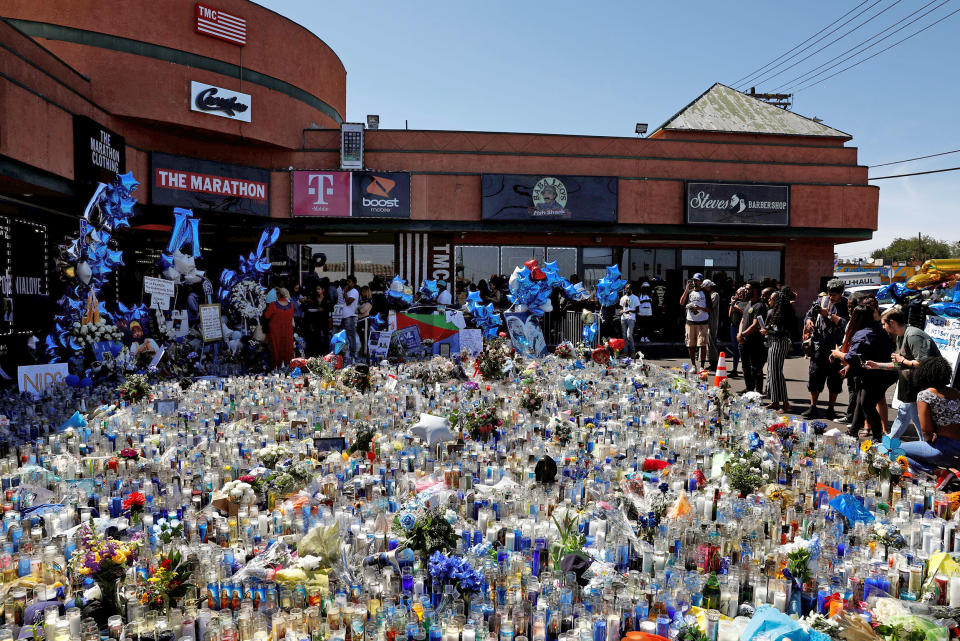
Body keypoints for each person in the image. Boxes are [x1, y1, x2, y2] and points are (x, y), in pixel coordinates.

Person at [866, 308, 941, 439]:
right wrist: (878, 365)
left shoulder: (913, 336)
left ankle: (923, 446)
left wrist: (904, 360)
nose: (883, 327)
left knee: (917, 419)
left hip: (924, 386)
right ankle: (890, 442)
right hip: (912, 387)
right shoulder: (901, 336)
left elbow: (924, 363)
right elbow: (900, 365)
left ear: (892, 323)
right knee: (908, 415)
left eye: (884, 324)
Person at [831, 304, 895, 440]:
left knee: (867, 404)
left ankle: (878, 437)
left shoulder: (863, 333)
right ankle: (853, 431)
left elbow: (851, 357)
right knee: (861, 401)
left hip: (875, 374)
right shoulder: (877, 328)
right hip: (883, 372)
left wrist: (837, 353)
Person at [900, 356, 960, 476]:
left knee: (893, 449)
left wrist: (930, 439)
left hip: (943, 449)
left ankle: (939, 472)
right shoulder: (956, 393)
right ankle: (952, 469)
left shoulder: (925, 395)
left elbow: (926, 431)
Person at [801, 279, 848, 419]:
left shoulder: (846, 304)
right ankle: (813, 407)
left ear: (841, 293)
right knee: (815, 377)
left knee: (834, 381)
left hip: (836, 348)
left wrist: (829, 315)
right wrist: (808, 322)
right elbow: (809, 315)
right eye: (829, 293)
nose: (831, 297)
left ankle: (831, 409)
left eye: (834, 294)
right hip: (819, 348)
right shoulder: (821, 301)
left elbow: (846, 324)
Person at [760, 287, 799, 412]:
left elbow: (782, 332)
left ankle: (786, 403)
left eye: (771, 299)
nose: (768, 301)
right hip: (774, 342)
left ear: (776, 300)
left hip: (779, 343)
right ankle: (775, 401)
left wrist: (767, 331)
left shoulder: (783, 314)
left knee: (776, 372)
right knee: (771, 372)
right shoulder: (775, 312)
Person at [738, 281, 767, 394]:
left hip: (755, 343)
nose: (746, 291)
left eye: (748, 289)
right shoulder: (748, 304)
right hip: (744, 342)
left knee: (756, 369)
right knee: (745, 367)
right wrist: (740, 334)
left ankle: (758, 392)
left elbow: (755, 325)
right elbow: (742, 320)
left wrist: (742, 334)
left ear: (755, 290)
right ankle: (749, 388)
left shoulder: (760, 306)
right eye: (745, 289)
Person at [680, 273, 710, 369]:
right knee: (690, 345)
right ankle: (693, 365)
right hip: (690, 321)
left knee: (702, 344)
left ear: (701, 282)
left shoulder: (705, 293)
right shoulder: (689, 292)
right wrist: (686, 289)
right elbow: (681, 302)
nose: (695, 282)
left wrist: (700, 308)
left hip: (702, 322)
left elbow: (709, 309)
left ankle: (702, 366)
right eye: (694, 280)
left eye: (697, 280)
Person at [263, 287, 295, 369]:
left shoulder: (273, 305)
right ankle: (288, 367)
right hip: (288, 332)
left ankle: (276, 368)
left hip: (275, 332)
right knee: (288, 349)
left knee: (275, 349)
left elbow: (266, 316)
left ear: (277, 295)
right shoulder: (291, 306)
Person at [303, 284, 332, 356]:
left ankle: (325, 352)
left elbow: (330, 308)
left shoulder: (327, 299)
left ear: (323, 290)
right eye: (317, 289)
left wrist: (324, 309)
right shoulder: (314, 299)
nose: (317, 291)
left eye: (319, 289)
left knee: (325, 335)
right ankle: (317, 352)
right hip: (316, 320)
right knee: (316, 336)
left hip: (324, 320)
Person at [701, 279, 721, 368]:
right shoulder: (707, 295)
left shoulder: (715, 295)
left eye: (705, 287)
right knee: (707, 341)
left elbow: (710, 307)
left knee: (711, 340)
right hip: (706, 320)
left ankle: (714, 362)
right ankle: (710, 361)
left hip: (712, 320)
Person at [341, 275, 360, 363]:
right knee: (348, 336)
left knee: (351, 336)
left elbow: (348, 302)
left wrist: (344, 292)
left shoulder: (354, 291)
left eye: (350, 282)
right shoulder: (349, 291)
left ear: (353, 283)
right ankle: (350, 354)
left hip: (350, 316)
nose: (348, 283)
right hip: (346, 316)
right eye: (347, 282)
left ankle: (353, 355)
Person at [618, 284, 640, 357]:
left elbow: (637, 310)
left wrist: (630, 310)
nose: (627, 290)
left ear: (631, 289)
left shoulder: (635, 298)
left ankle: (633, 352)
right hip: (623, 318)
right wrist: (621, 312)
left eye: (628, 288)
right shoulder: (623, 298)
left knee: (629, 335)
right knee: (624, 336)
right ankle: (625, 352)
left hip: (631, 318)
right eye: (626, 288)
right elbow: (621, 308)